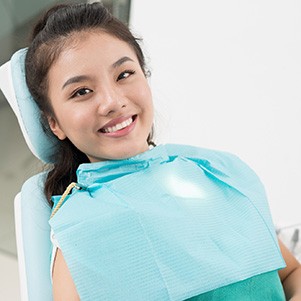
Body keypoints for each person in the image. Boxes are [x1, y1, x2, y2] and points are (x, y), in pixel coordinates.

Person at [20, 2, 300, 300]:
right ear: (54, 124)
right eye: (81, 92)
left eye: (124, 74)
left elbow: (292, 274)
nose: (112, 102)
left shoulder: (214, 171)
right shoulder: (81, 233)